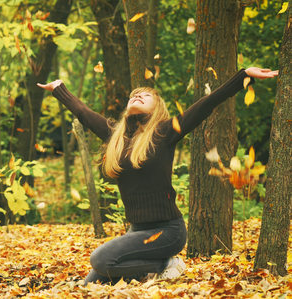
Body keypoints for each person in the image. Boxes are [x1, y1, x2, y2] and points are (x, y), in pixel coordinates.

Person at [37, 67, 278, 285]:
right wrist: (59, 88)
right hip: (136, 231)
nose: (137, 96)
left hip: (168, 231)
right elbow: (84, 112)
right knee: (90, 285)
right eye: (134, 95)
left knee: (101, 260)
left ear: (157, 108)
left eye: (145, 95)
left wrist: (244, 75)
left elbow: (206, 104)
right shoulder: (115, 137)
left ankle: (167, 264)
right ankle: (150, 270)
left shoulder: (164, 132)